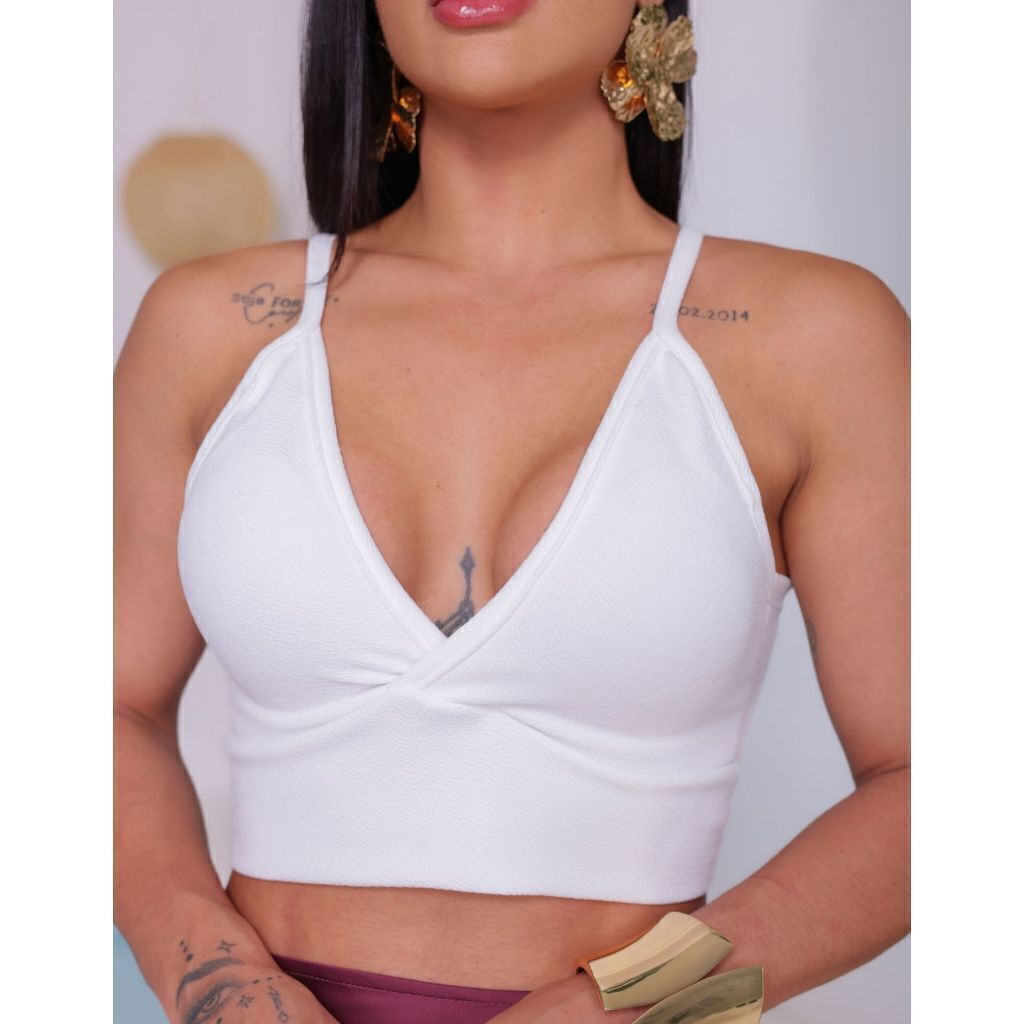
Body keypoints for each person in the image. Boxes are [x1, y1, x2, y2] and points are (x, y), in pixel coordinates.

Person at [113, 1, 910, 1022]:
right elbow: (108, 707)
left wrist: (622, 1009)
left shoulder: (810, 337)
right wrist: (222, 988)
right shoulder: (212, 329)